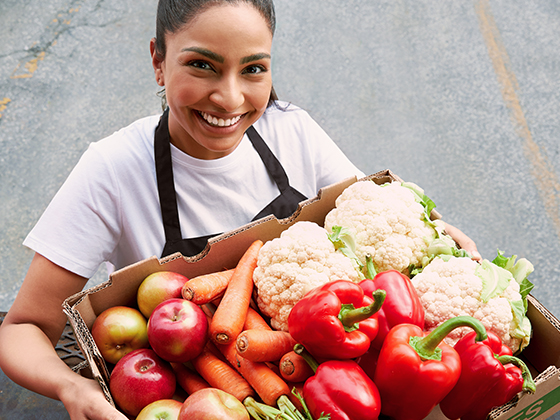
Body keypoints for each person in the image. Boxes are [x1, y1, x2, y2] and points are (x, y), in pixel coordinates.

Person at [0, 0, 480, 419]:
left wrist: (437, 234)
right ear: (159, 62)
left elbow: (370, 212)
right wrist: (72, 386)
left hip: (334, 380)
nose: (229, 98)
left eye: (253, 69)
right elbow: (21, 329)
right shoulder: (111, 170)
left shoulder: (293, 132)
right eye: (203, 65)